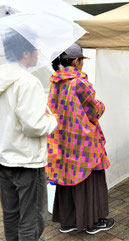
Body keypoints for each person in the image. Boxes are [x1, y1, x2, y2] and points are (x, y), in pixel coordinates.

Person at [47, 44, 114, 234]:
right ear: (76, 61)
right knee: (89, 179)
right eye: (82, 61)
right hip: (82, 142)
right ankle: (92, 222)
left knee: (66, 176)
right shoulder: (78, 82)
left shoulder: (55, 82)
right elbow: (94, 109)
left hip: (62, 139)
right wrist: (101, 105)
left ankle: (67, 222)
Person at [0, 30, 58, 240]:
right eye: (35, 49)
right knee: (31, 220)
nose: (37, 53)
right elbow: (33, 125)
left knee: (11, 216)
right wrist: (53, 120)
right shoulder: (28, 81)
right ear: (25, 53)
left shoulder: (3, 77)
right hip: (27, 162)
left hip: (5, 158)